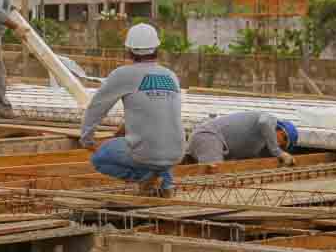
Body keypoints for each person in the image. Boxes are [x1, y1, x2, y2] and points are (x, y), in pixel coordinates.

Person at [80, 23, 185, 198]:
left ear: (129, 50)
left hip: (146, 153)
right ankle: (166, 183)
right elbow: (156, 114)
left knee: (100, 158)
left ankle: (148, 180)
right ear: (157, 48)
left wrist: (87, 139)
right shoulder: (170, 75)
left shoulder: (123, 74)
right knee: (155, 154)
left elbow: (96, 108)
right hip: (177, 152)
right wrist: (123, 130)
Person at [183, 111, 298, 166]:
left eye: (283, 145)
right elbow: (264, 123)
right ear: (281, 129)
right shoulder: (270, 119)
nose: (279, 143)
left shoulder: (258, 145)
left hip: (206, 141)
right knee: (213, 179)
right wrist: (278, 152)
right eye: (283, 138)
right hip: (208, 136)